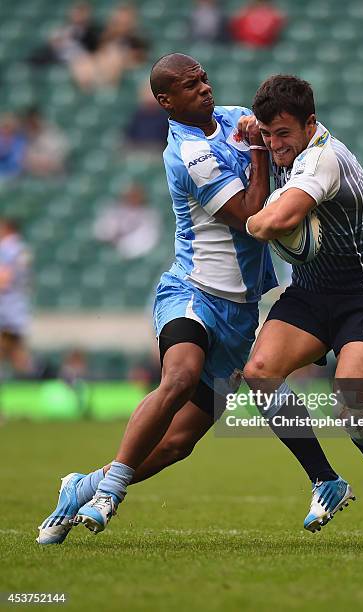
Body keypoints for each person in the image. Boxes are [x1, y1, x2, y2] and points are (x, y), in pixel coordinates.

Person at [36, 53, 278, 545]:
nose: (204, 88)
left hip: (240, 311)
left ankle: (84, 485)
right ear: (166, 101)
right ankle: (111, 493)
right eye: (191, 86)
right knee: (180, 376)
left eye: (205, 78)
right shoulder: (187, 154)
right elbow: (252, 214)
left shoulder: (231, 118)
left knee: (177, 443)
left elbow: (278, 137)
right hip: (193, 292)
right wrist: (258, 150)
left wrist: (269, 134)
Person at [243, 75, 363, 545]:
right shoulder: (279, 139)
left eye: (283, 135)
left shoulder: (324, 159)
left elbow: (278, 220)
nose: (275, 145)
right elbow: (252, 125)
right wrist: (254, 133)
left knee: (351, 403)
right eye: (268, 134)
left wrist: (254, 219)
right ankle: (325, 480)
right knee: (259, 372)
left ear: (310, 124)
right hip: (311, 295)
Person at [0, 218, 34, 379]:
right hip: (17, 305)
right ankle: (35, 380)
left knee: (12, 351)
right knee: (16, 352)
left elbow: (4, 279)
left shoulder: (7, 249)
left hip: (6, 307)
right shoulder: (22, 249)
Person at [93, 183, 161, 259]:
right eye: (129, 195)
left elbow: (146, 241)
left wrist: (120, 243)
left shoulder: (149, 215)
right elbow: (100, 232)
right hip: (111, 248)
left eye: (135, 196)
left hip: (133, 255)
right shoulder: (115, 209)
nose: (131, 198)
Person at [22, 107, 69, 177]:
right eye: (30, 121)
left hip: (53, 174)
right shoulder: (23, 135)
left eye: (35, 119)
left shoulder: (52, 133)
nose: (33, 123)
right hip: (31, 175)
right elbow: (23, 160)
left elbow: (61, 155)